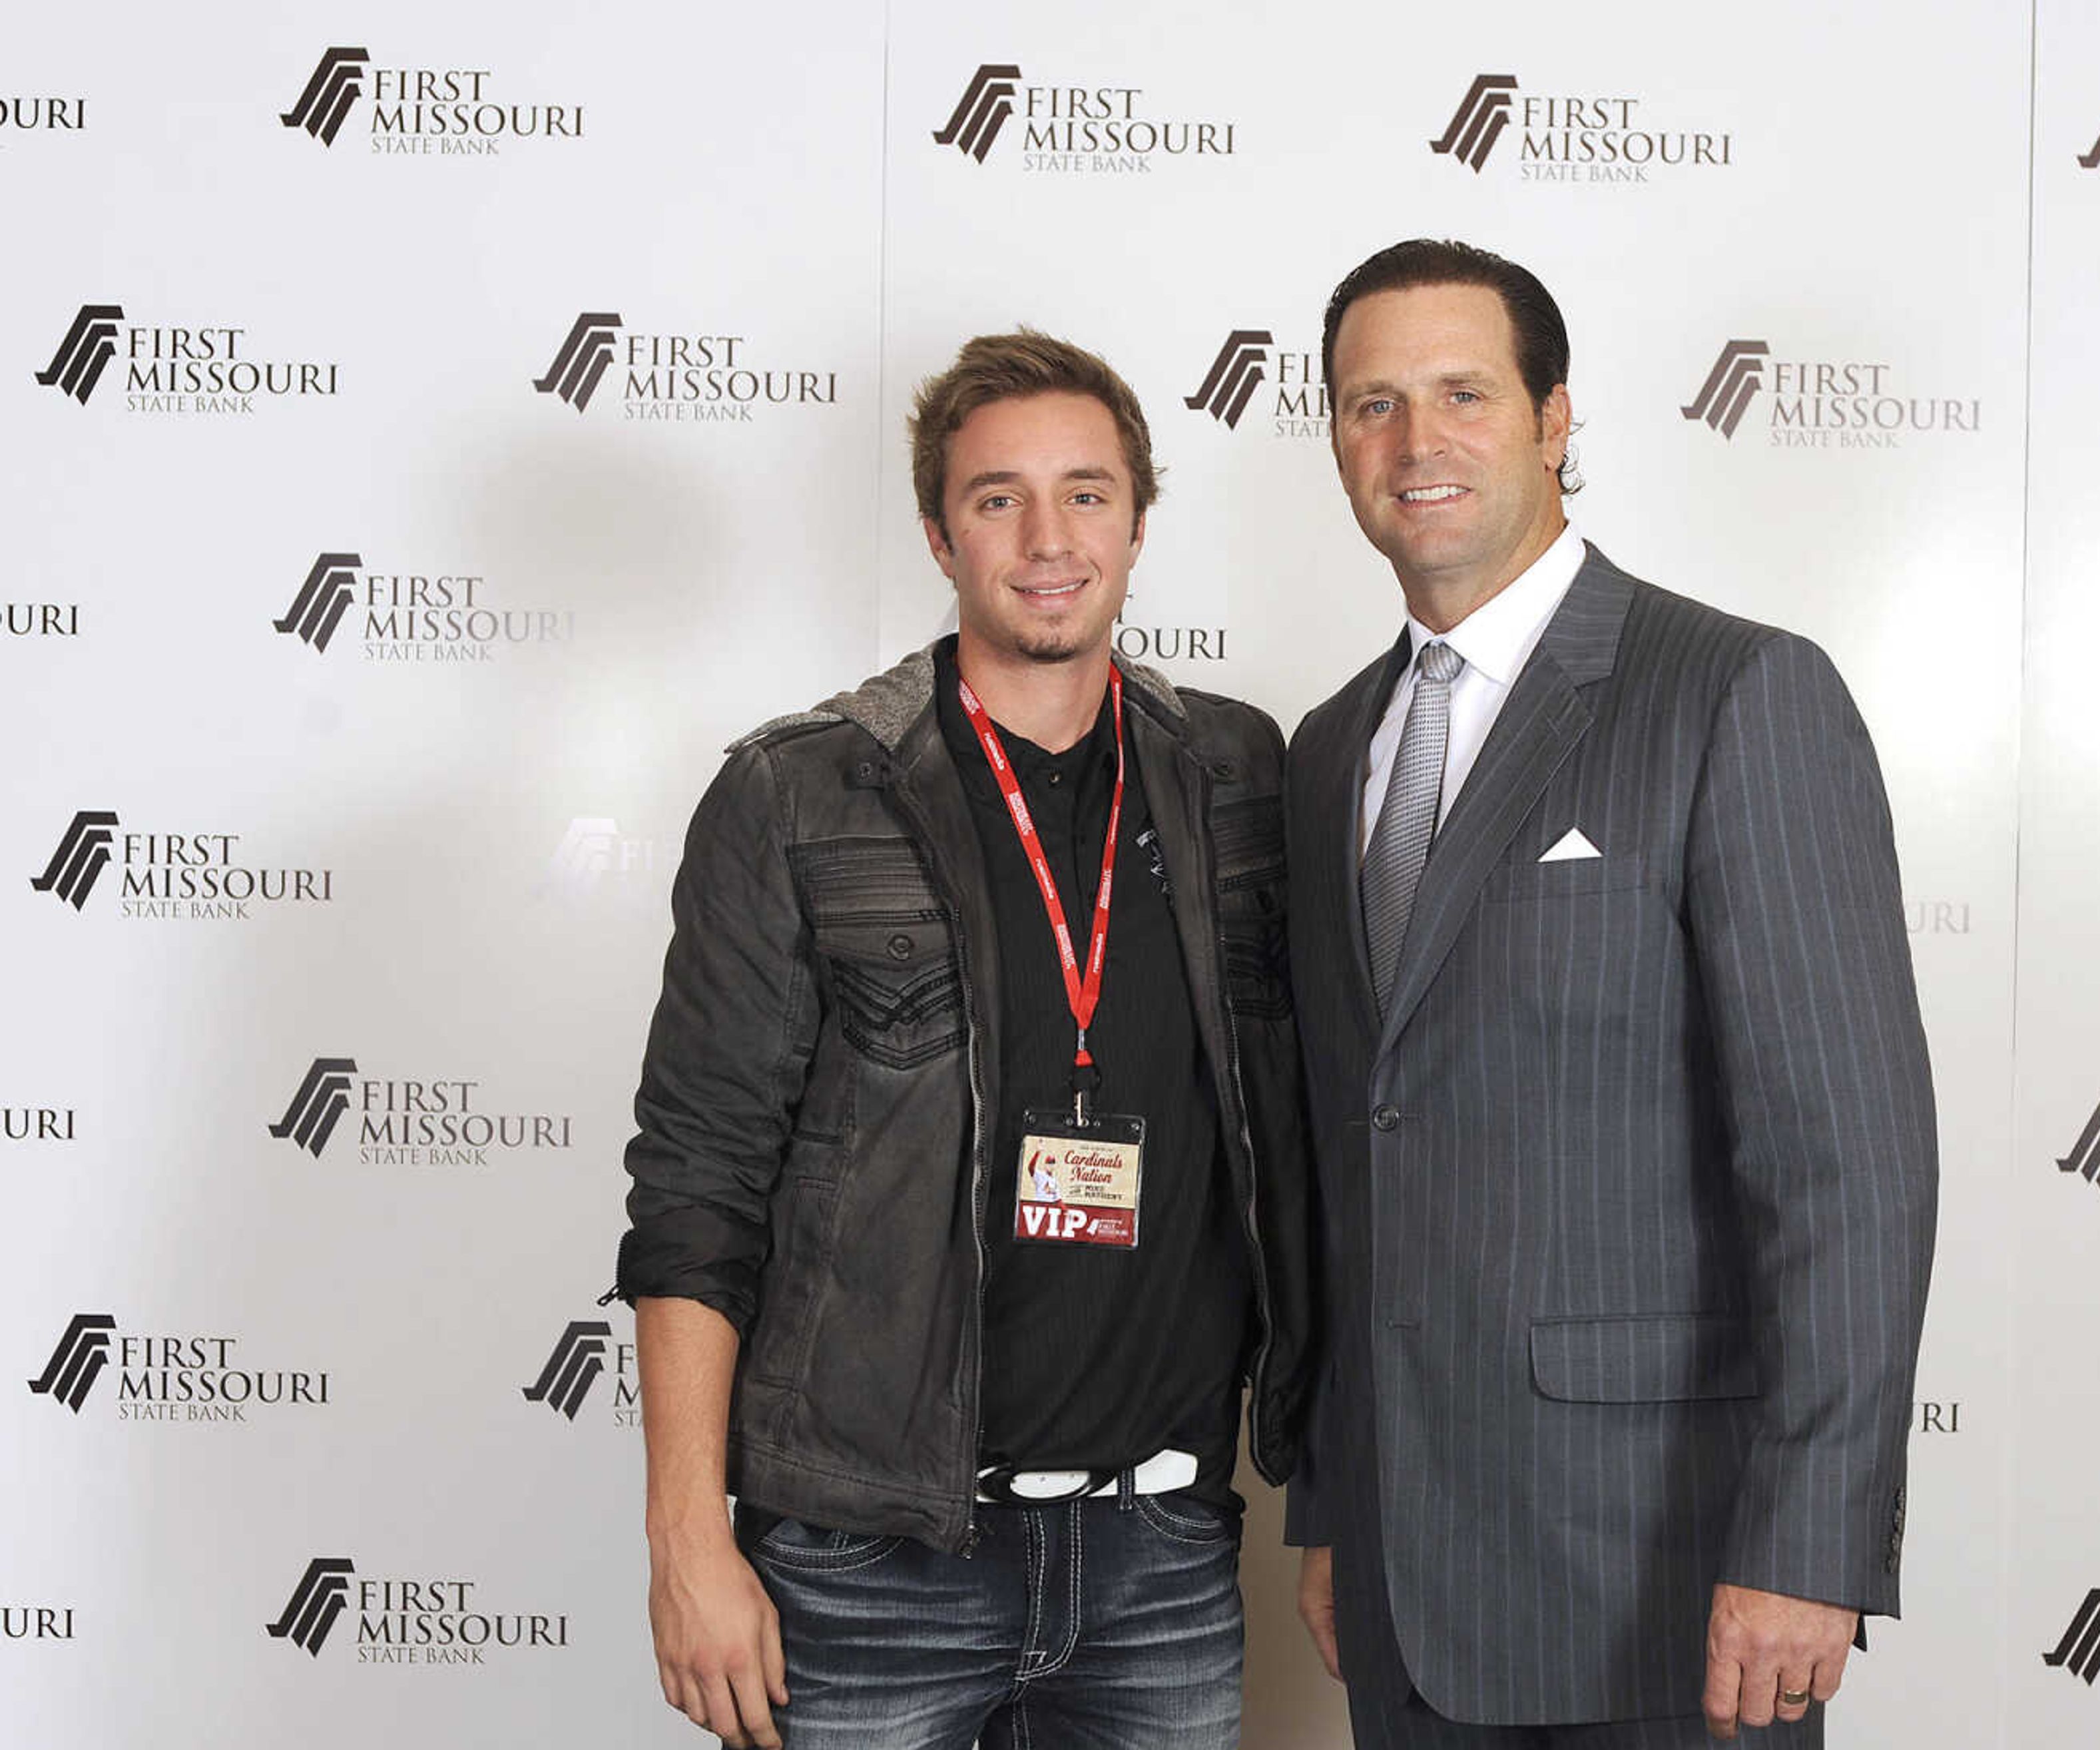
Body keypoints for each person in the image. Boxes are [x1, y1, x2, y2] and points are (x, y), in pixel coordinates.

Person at [615, 329, 1314, 1750]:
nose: (1049, 539)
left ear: (1137, 515)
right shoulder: (798, 794)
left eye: (1087, 492)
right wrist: (687, 1545)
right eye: (999, 498)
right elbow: (697, 1187)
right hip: (869, 1559)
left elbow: (1309, 1139)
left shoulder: (1239, 776)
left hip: (1165, 1551)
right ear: (941, 534)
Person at [1283, 238, 1938, 1747]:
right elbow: (1348, 1157)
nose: (1416, 441)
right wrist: (1332, 1501)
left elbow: (1851, 1168)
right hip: (1402, 1583)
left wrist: (1810, 1545)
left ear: (1556, 417)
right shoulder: (1330, 752)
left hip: (1665, 1588)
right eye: (1371, 404)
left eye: (1463, 392)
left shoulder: (1736, 695)